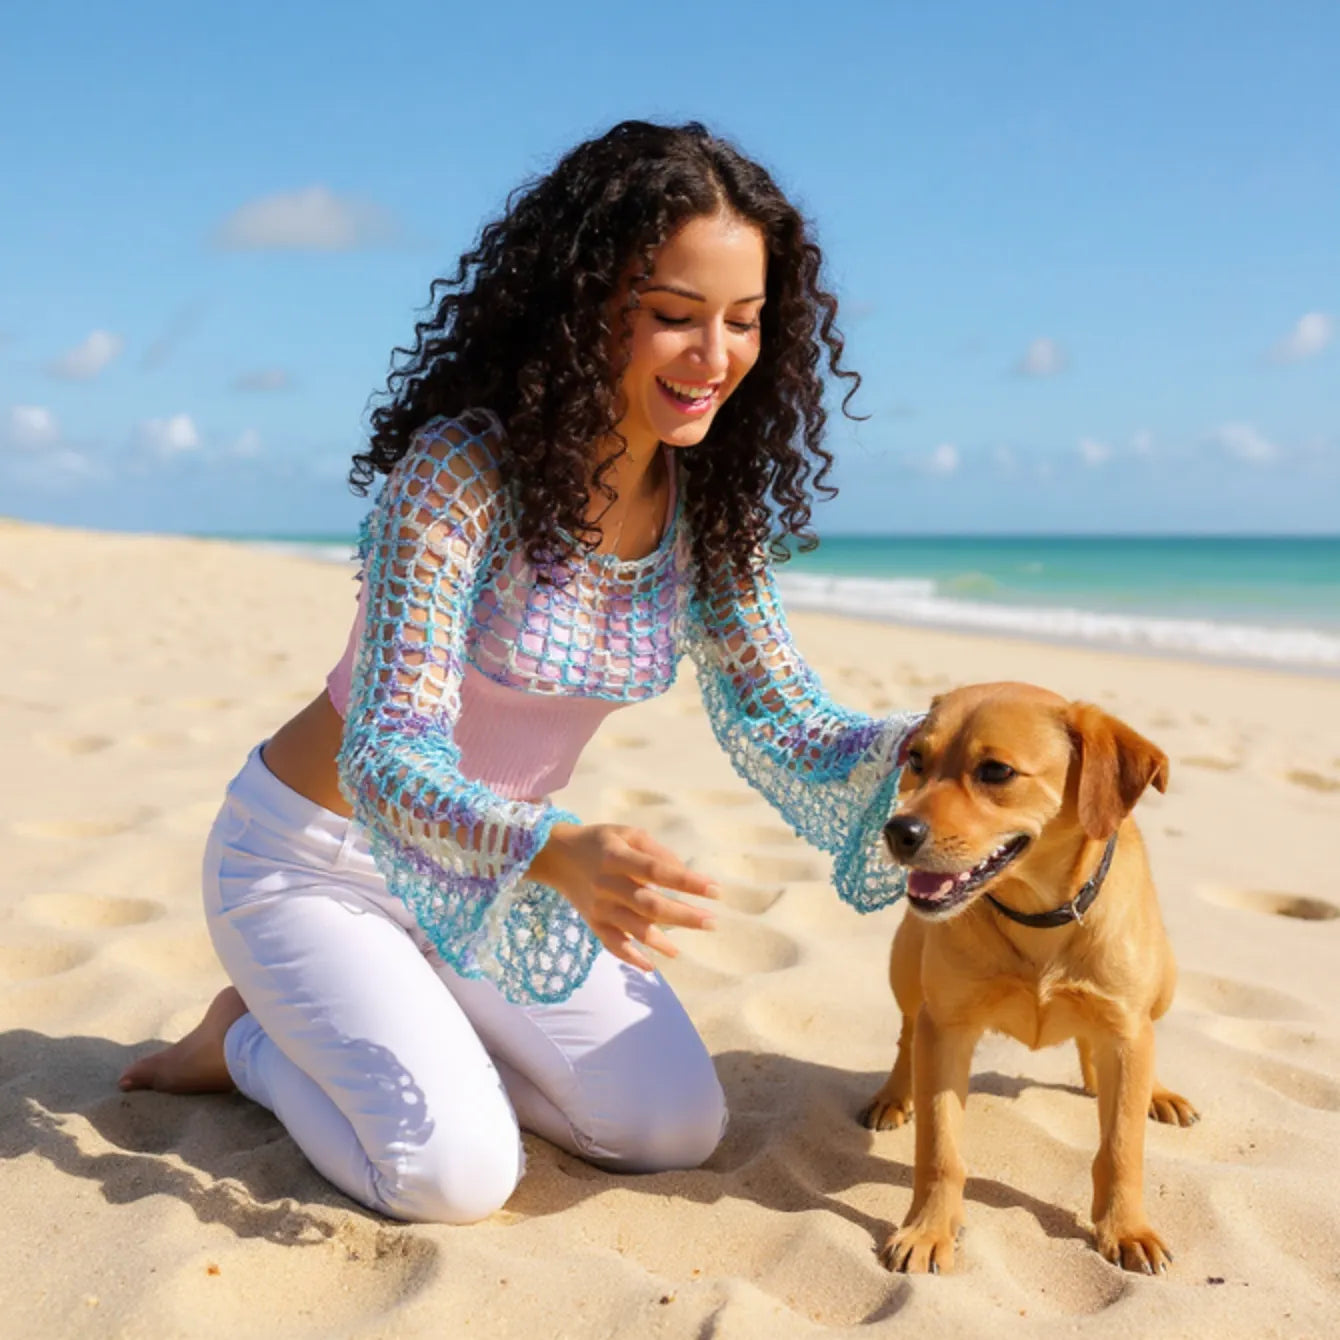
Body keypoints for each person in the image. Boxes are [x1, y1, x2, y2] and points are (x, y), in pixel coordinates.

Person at [120, 120, 918, 1224]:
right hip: (315, 860)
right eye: (675, 317)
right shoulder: (459, 474)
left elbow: (786, 718)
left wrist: (958, 740)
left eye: (743, 321)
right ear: (588, 304)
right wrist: (553, 847)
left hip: (493, 872)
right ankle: (248, 1039)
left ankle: (392, 1031)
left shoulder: (706, 513)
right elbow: (388, 755)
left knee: (671, 1129)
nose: (714, 356)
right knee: (453, 1177)